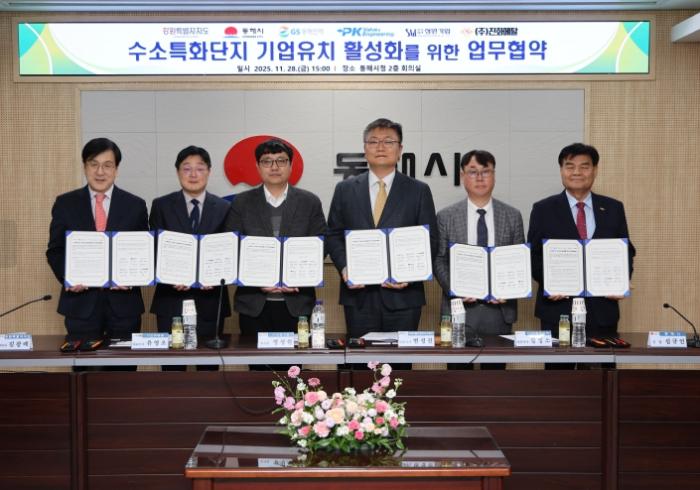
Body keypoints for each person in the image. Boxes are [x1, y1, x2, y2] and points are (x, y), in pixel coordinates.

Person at [326, 118, 438, 364]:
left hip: (404, 297)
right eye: (373, 141)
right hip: (359, 297)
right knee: (360, 365)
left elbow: (430, 240)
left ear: (400, 149)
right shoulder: (345, 189)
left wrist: (410, 275)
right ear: (364, 148)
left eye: (388, 141)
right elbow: (333, 234)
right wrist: (345, 268)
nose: (380, 147)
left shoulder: (418, 190)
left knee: (399, 367)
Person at [528, 143, 635, 368]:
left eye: (584, 166)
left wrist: (621, 280)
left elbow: (625, 251)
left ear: (595, 170)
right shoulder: (543, 209)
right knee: (560, 380)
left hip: (602, 309)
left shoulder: (613, 208)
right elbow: (534, 255)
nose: (577, 172)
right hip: (558, 311)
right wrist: (549, 282)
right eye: (570, 166)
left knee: (602, 378)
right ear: (561, 170)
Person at [225, 139, 327, 369]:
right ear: (258, 166)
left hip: (296, 304)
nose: (274, 167)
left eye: (281, 160)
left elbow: (321, 243)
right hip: (254, 304)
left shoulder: (309, 202)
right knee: (257, 371)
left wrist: (298, 276)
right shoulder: (242, 202)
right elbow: (232, 246)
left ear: (290, 166)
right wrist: (257, 280)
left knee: (292, 370)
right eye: (267, 161)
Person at [46, 138, 148, 367]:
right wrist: (68, 277)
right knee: (84, 373)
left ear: (116, 169)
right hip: (80, 305)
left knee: (123, 373)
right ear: (85, 167)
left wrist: (132, 277)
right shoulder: (65, 203)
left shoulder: (135, 205)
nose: (100, 172)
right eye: (94, 164)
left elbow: (144, 251)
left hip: (124, 306)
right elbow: (55, 250)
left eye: (107, 165)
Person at [434, 150, 525, 370]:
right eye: (473, 172)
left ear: (494, 175)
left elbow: (520, 261)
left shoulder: (512, 216)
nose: (480, 177)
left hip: (499, 311)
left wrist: (508, 290)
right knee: (458, 377)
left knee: (494, 379)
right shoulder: (446, 216)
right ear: (462, 175)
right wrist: (456, 288)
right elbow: (439, 260)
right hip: (459, 308)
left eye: (486, 171)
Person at [149, 145, 232, 370]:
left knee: (209, 369)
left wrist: (215, 276)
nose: (193, 174)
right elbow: (154, 249)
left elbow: (229, 251)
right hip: (170, 300)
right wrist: (169, 276)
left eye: (200, 168)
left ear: (209, 172)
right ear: (178, 172)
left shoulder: (224, 208)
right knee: (172, 370)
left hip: (210, 300)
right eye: (187, 169)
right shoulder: (161, 205)